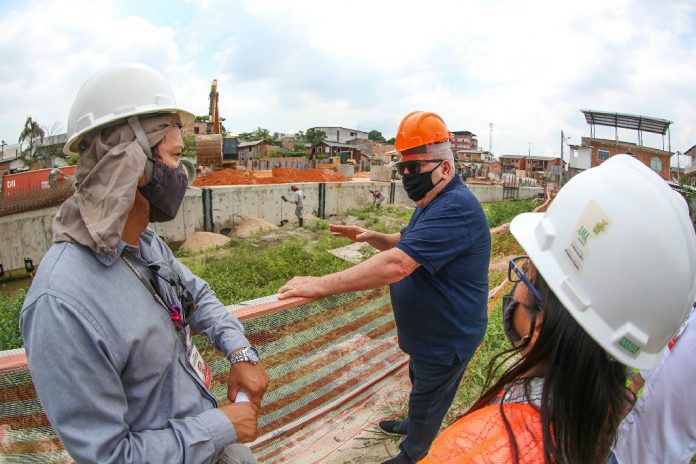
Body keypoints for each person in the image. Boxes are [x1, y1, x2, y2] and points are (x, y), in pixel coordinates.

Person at [20, 63, 269, 464]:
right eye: (175, 156)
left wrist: (239, 352)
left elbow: (197, 295)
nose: (183, 172)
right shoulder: (61, 303)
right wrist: (220, 426)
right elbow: (109, 456)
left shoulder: (144, 244)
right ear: (132, 165)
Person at [419, 154, 696, 464]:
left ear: (539, 325)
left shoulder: (475, 449)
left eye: (526, 272)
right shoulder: (595, 418)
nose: (517, 286)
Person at [278, 111, 491, 464]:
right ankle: (412, 423)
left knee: (429, 397)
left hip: (448, 337)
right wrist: (374, 236)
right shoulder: (432, 201)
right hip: (427, 337)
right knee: (418, 381)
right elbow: (408, 243)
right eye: (402, 168)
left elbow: (398, 264)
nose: (407, 176)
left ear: (445, 169)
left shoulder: (456, 208)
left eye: (415, 167)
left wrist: (319, 286)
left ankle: (413, 453)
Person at [611, 305, 696, 464]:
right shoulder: (690, 314)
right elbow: (669, 354)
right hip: (620, 437)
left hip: (653, 457)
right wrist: (633, 386)